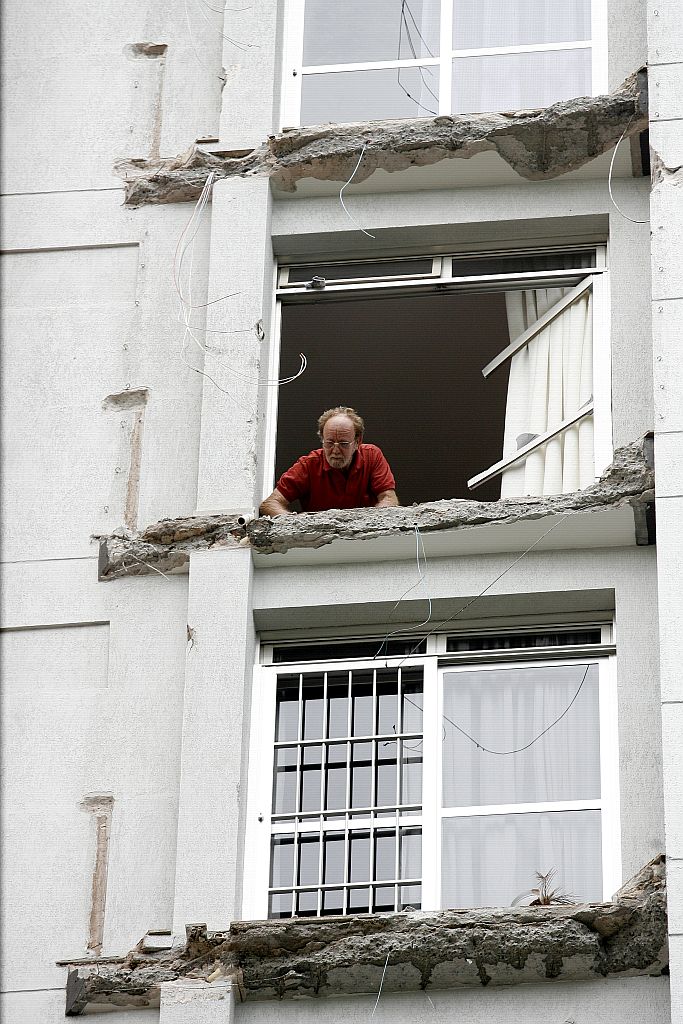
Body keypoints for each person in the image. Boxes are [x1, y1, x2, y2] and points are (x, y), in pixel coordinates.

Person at [259, 406, 399, 516]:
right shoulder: (309, 465)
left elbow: (389, 499)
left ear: (357, 442)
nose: (335, 450)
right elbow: (270, 504)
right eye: (329, 443)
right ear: (322, 440)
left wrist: (368, 522)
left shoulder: (372, 455)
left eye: (343, 444)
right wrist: (294, 524)